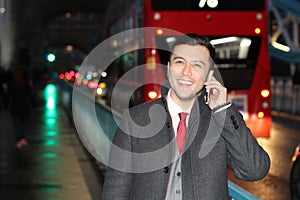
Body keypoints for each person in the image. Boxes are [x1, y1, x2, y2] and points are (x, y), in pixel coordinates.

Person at [102, 33, 270, 199]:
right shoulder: (135, 119)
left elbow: (255, 170)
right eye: (180, 62)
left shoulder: (219, 120)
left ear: (210, 74)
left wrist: (223, 109)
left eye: (197, 65)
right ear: (168, 68)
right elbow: (115, 190)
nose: (186, 72)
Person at [9, 64, 35, 148]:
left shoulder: (13, 84)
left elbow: (9, 95)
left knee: (17, 124)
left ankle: (19, 139)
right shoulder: (25, 84)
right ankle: (22, 138)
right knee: (22, 123)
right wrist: (33, 104)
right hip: (24, 107)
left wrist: (6, 105)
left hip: (15, 107)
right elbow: (29, 95)